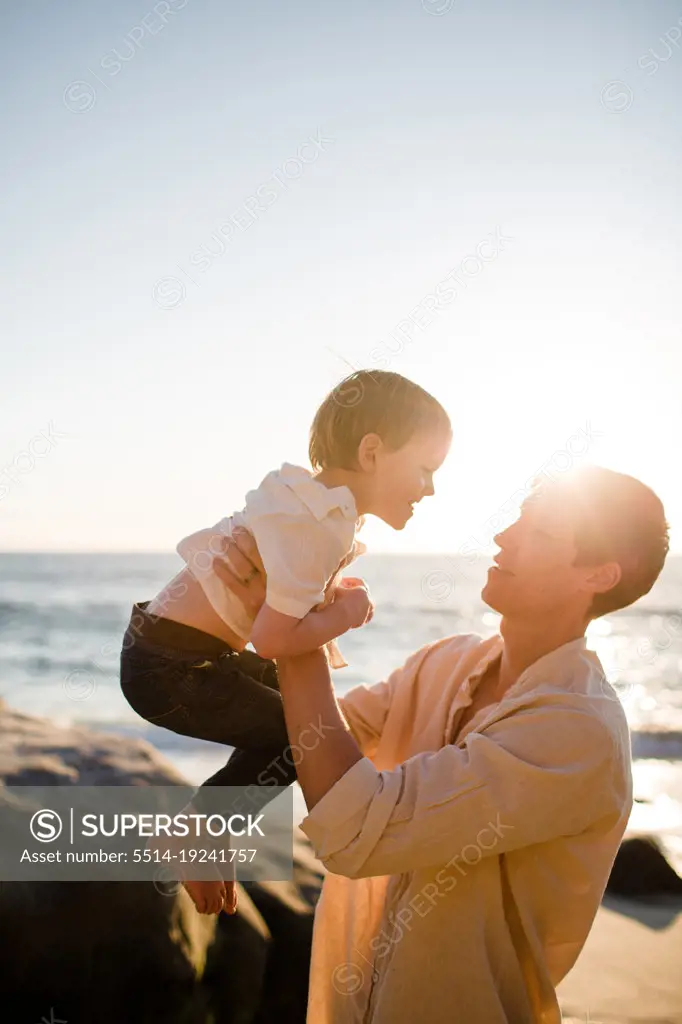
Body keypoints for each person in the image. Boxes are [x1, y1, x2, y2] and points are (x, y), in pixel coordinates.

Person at [211, 464, 669, 1023]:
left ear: (599, 575)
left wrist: (297, 625)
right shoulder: (448, 660)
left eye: (542, 532)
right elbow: (308, 738)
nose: (504, 536)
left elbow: (357, 832)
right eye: (520, 518)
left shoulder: (577, 730)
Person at [118, 370, 452, 916]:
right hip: (173, 669)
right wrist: (344, 614)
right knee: (300, 738)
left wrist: (325, 595)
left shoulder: (305, 500)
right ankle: (200, 828)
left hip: (170, 651)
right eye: (425, 469)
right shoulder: (320, 524)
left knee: (300, 712)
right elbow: (273, 639)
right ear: (372, 452)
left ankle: (209, 830)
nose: (431, 489)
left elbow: (280, 599)